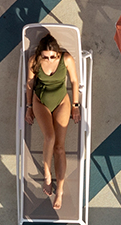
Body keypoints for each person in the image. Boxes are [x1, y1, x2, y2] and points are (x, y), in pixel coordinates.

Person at [24, 33, 81, 211]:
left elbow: (74, 80)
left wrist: (75, 105)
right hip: (40, 101)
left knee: (59, 147)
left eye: (52, 56)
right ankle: (47, 174)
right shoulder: (34, 61)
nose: (49, 59)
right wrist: (28, 106)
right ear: (40, 54)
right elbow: (29, 83)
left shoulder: (66, 59)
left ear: (58, 53)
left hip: (61, 101)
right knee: (49, 137)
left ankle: (60, 191)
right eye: (46, 56)